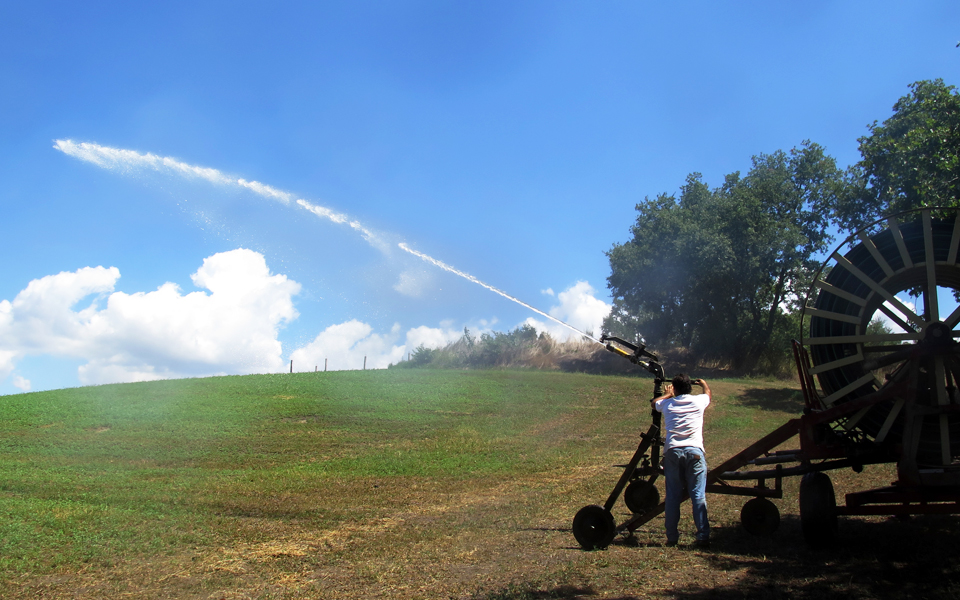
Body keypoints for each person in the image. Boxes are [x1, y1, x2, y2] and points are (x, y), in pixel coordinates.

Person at [652, 374, 712, 548]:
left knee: (672, 496)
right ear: (690, 388)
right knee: (698, 496)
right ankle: (702, 536)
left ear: (675, 388)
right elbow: (708, 394)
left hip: (673, 452)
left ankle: (672, 537)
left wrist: (668, 395)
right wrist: (704, 383)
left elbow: (654, 403)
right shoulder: (699, 401)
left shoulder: (668, 404)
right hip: (694, 452)